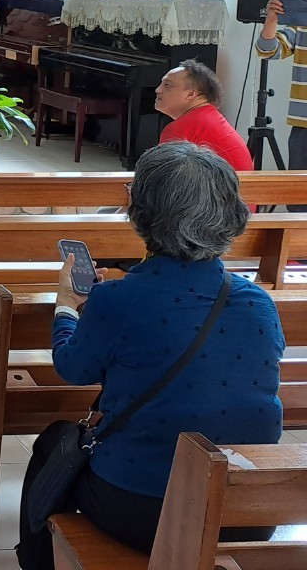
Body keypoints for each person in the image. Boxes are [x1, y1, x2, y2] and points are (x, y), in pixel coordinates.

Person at [16, 142, 285, 569]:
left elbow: (71, 366)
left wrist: (67, 305)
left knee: (55, 443)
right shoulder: (258, 303)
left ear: (142, 213)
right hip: (248, 513)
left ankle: (37, 562)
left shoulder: (117, 298)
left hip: (148, 512)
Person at [154, 58, 253, 172]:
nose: (158, 90)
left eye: (167, 85)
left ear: (191, 94)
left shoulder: (184, 127)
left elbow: (161, 176)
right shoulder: (207, 117)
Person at [257, 0, 307, 208]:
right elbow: (268, 50)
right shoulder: (302, 20)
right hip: (304, 125)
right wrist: (271, 20)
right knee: (298, 201)